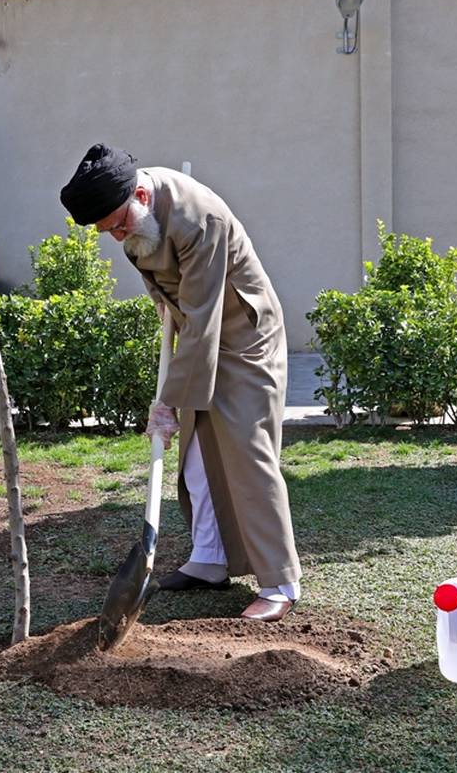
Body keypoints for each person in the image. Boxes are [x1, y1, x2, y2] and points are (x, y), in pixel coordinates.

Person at [59, 143, 302, 622]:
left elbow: (205, 316)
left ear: (141, 196)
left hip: (244, 336)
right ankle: (210, 559)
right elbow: (178, 302)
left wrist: (168, 403)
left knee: (247, 451)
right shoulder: (133, 217)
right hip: (196, 329)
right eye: (107, 231)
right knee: (194, 453)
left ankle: (280, 581)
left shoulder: (198, 220)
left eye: (119, 225)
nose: (117, 236)